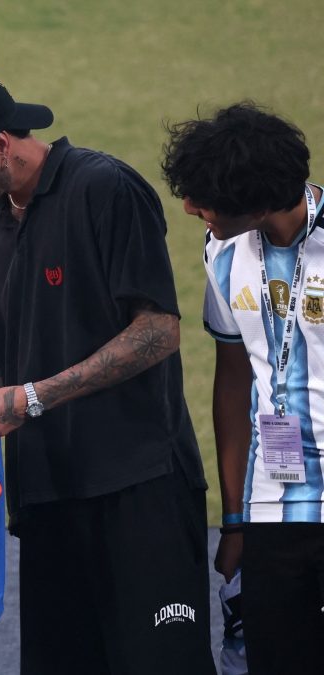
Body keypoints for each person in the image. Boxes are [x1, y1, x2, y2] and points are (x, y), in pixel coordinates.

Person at [0, 72, 213, 674]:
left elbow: (158, 329)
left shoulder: (105, 188)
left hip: (139, 488)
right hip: (49, 499)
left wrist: (34, 399)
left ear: (0, 143)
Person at [162, 101, 323, 675]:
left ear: (257, 204)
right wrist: (234, 519)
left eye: (204, 200)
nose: (188, 207)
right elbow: (232, 383)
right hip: (275, 507)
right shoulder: (220, 249)